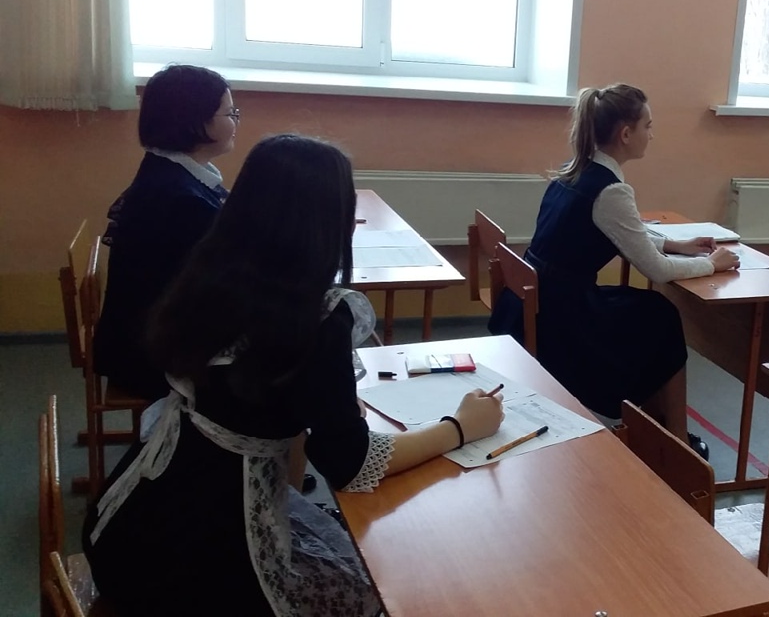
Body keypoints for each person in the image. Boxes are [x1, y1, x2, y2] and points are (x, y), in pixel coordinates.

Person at [83, 134, 505, 617]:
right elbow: (352, 465)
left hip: (131, 519)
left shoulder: (207, 272)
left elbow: (269, 404)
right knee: (385, 589)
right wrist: (460, 427)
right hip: (200, 555)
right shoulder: (316, 316)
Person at [489, 84, 738, 457]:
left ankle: (655, 428)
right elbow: (656, 270)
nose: (651, 134)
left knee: (650, 313)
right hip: (562, 320)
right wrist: (710, 263)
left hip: (533, 302)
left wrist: (676, 245)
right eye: (647, 126)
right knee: (661, 317)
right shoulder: (612, 191)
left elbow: (623, 233)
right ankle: (676, 442)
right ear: (625, 134)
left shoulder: (574, 172)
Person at [94, 64, 238, 401]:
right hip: (152, 357)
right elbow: (219, 282)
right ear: (196, 120)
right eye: (230, 113)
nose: (236, 122)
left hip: (147, 338)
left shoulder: (170, 171)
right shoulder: (179, 198)